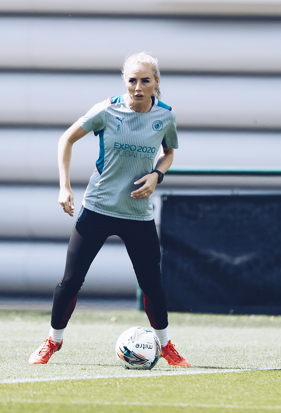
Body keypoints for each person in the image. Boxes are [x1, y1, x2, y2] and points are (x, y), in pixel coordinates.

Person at [28, 52, 190, 367]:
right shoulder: (107, 110)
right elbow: (66, 140)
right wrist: (64, 185)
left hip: (138, 214)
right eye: (132, 80)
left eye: (146, 80)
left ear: (156, 82)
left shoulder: (166, 116)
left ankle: (166, 345)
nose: (138, 87)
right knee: (71, 281)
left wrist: (158, 174)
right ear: (124, 82)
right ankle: (52, 341)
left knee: (152, 284)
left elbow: (169, 153)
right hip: (98, 208)